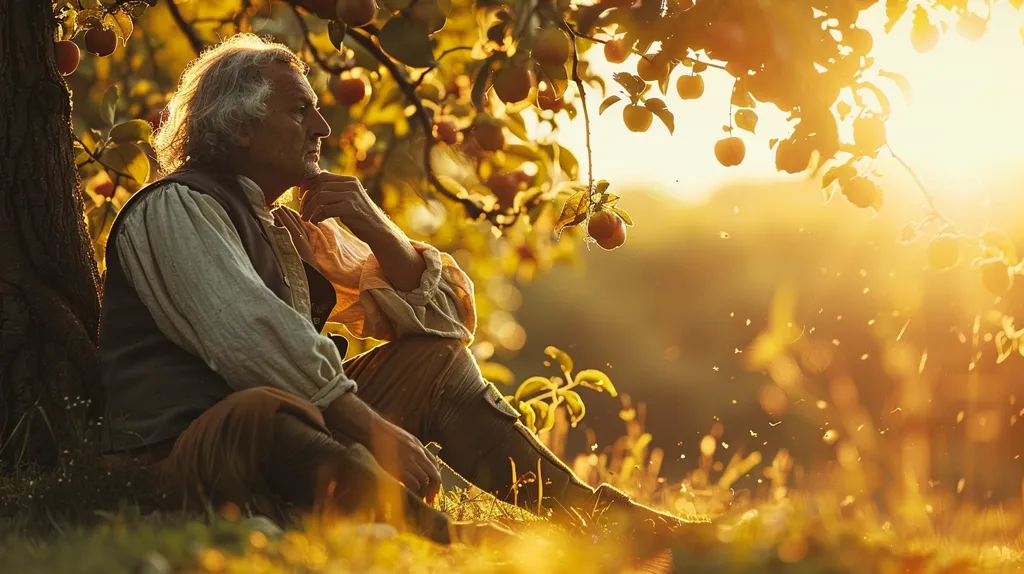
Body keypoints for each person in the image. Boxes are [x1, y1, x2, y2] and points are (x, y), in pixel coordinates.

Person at [97, 32, 695, 548]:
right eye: (301, 112)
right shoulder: (176, 208)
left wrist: (378, 231)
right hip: (188, 457)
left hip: (292, 434)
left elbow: (449, 326)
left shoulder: (287, 229)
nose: (323, 127)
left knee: (431, 362)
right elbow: (252, 339)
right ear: (243, 126)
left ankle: (596, 518)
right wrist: (374, 428)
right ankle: (444, 538)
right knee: (264, 409)